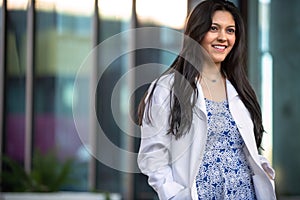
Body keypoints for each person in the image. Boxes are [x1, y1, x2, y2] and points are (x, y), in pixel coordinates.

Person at [137, 0, 276, 199]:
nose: (223, 37)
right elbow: (152, 158)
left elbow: (245, 148)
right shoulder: (167, 88)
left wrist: (263, 167)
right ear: (197, 33)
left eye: (230, 30)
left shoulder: (240, 89)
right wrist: (175, 195)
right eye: (214, 28)